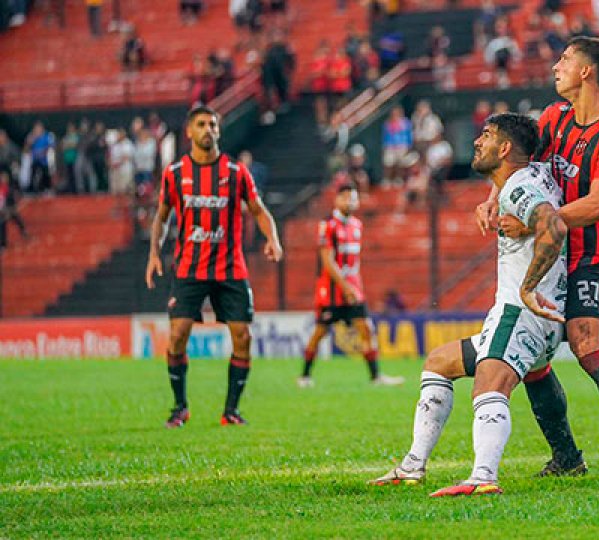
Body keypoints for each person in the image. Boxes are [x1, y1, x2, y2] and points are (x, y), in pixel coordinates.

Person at [479, 37, 599, 489]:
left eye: (565, 59)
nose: (556, 65)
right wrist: (492, 196)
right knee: (536, 355)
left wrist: (535, 221)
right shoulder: (554, 117)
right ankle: (566, 456)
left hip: (588, 254)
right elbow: (521, 166)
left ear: (587, 71)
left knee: (586, 346)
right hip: (548, 255)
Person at [371, 113, 569, 494]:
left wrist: (527, 288)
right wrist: (493, 198)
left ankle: (483, 477)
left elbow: (554, 225)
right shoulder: (538, 174)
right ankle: (413, 465)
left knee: (488, 388)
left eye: (487, 135)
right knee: (439, 362)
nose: (477, 141)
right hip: (543, 319)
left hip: (520, 312)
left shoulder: (517, 189)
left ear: (506, 148)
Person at [145, 105, 283, 428]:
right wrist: (154, 253)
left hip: (230, 269)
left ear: (218, 132)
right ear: (189, 132)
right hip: (189, 269)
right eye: (202, 124)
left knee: (243, 336)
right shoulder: (175, 173)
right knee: (178, 334)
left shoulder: (235, 173)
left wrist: (273, 238)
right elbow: (162, 218)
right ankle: (180, 407)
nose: (208, 129)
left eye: (213, 125)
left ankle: (231, 411)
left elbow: (259, 210)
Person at [298, 184, 404, 388]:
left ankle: (376, 377)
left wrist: (355, 287)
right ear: (337, 200)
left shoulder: (357, 225)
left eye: (353, 198)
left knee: (366, 328)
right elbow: (327, 261)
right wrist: (345, 287)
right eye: (346, 198)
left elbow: (354, 262)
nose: (350, 202)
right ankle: (304, 376)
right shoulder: (327, 225)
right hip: (331, 291)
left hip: (353, 289)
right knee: (320, 332)